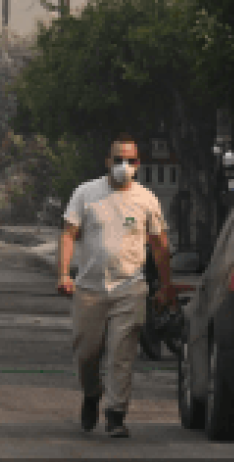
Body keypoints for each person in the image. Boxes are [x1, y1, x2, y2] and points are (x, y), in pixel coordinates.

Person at [56, 132, 176, 438]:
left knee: (122, 354)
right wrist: (63, 274)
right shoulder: (86, 194)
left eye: (131, 160)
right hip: (89, 290)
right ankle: (92, 394)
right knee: (87, 353)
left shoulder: (146, 199)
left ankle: (115, 414)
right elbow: (69, 234)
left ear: (139, 163)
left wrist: (166, 286)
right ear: (107, 161)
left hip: (130, 289)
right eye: (118, 159)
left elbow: (160, 245)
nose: (124, 165)